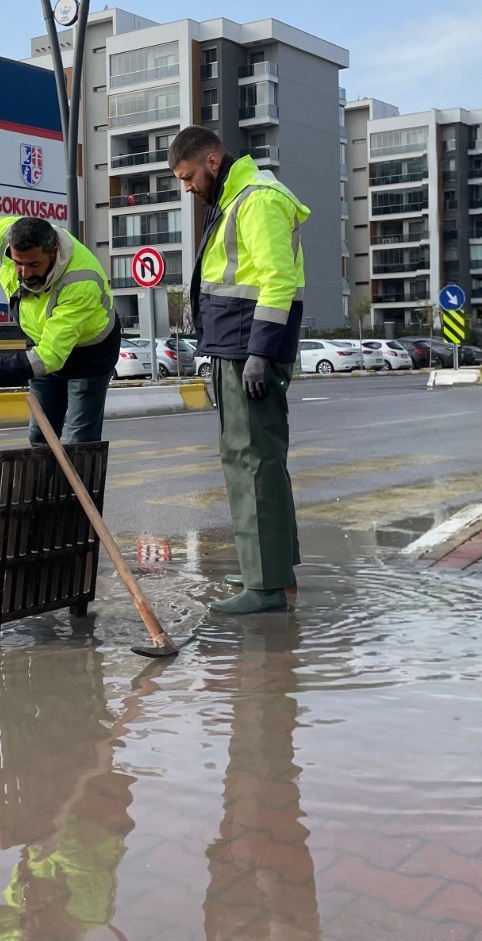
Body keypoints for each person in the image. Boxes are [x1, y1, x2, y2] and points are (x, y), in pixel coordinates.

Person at [168, 126, 308, 614]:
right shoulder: (234, 198)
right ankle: (271, 570)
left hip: (249, 350)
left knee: (251, 462)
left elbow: (278, 280)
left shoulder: (256, 199)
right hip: (238, 346)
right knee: (258, 460)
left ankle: (265, 585)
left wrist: (259, 354)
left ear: (211, 161)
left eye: (188, 177)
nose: (187, 188)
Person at [0, 214, 120, 447]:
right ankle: (45, 473)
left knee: (80, 442)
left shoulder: (80, 282)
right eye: (18, 263)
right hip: (41, 343)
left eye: (34, 265)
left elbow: (51, 356)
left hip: (89, 354)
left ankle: (79, 471)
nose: (25, 273)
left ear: (53, 253)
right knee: (40, 435)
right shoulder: (12, 233)